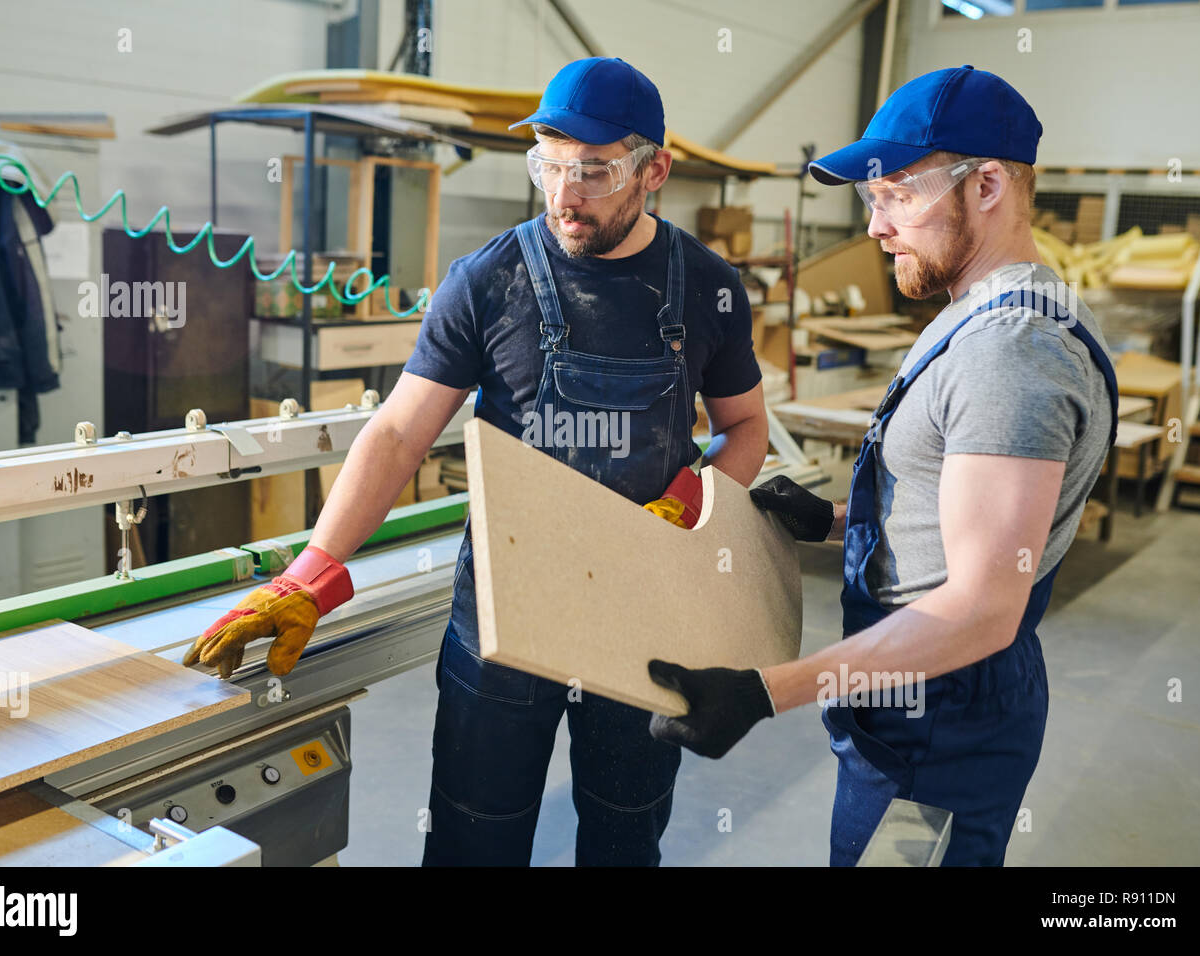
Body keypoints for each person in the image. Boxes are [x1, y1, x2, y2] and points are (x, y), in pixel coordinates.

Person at [184, 56, 768, 866]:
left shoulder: (708, 288)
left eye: (594, 172)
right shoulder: (489, 279)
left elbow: (745, 429)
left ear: (654, 170)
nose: (565, 195)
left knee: (624, 839)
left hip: (643, 609)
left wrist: (688, 501)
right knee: (471, 842)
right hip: (503, 613)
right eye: (549, 167)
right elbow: (397, 435)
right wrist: (312, 573)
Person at [647, 65, 1118, 867]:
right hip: (917, 697)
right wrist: (837, 522)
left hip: (940, 717)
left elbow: (980, 608)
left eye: (898, 194)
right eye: (872, 200)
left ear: (989, 185)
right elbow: (964, 525)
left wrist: (767, 691)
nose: (875, 227)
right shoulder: (991, 314)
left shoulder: (1012, 354)